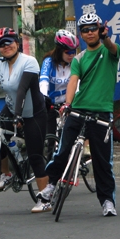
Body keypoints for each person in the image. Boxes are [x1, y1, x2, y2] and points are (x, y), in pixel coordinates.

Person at [43, 12, 120, 217]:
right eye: (85, 30)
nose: (89, 33)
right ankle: (51, 185)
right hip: (78, 109)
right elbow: (73, 81)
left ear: (99, 29)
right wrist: (67, 104)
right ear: (81, 34)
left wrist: (106, 37)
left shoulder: (110, 52)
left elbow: (113, 48)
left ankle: (107, 201)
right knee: (62, 150)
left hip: (102, 113)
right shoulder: (78, 58)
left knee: (102, 161)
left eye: (93, 29)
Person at [0, 27, 50, 213]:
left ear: (17, 43)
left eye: (9, 42)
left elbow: (22, 89)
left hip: (33, 113)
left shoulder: (29, 62)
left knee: (35, 155)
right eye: (1, 44)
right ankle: (5, 174)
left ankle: (45, 197)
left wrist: (19, 116)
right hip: (12, 108)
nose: (6, 47)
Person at [39, 29, 80, 159]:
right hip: (50, 103)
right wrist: (44, 97)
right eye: (68, 52)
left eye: (74, 52)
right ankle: (51, 171)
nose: (71, 55)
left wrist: (74, 101)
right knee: (51, 140)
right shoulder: (48, 62)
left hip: (67, 103)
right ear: (59, 50)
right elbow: (43, 80)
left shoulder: (74, 63)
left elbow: (77, 83)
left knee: (68, 138)